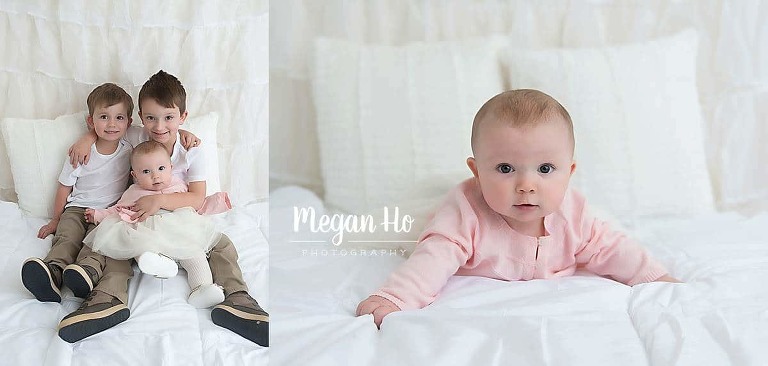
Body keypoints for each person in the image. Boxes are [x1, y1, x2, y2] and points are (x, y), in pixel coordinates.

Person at [356, 89, 681, 328]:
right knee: (409, 230)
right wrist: (394, 299)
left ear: (569, 172)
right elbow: (432, 260)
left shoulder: (575, 216)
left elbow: (614, 249)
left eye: (545, 169)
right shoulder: (466, 212)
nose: (527, 185)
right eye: (506, 169)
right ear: (477, 171)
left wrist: (657, 279)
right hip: (450, 239)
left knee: (606, 231)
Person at [60, 70, 269, 347]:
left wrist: (159, 200)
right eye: (151, 118)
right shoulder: (137, 136)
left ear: (182, 117)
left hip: (178, 215)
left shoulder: (191, 149)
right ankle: (106, 300)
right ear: (141, 118)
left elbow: (197, 198)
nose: (159, 127)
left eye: (169, 118)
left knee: (221, 245)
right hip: (139, 216)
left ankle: (238, 299)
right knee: (110, 241)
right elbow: (107, 132)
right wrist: (87, 138)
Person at [83, 140, 230, 308]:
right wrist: (98, 214)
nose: (156, 176)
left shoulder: (179, 186)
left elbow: (197, 205)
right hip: (149, 234)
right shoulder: (133, 192)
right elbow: (118, 211)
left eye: (161, 169)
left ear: (171, 168)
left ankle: (202, 289)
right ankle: (159, 265)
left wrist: (218, 201)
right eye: (146, 171)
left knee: (196, 255)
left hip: (180, 232)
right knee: (136, 243)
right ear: (135, 176)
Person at [21, 83, 133, 303]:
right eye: (103, 117)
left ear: (129, 122)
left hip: (107, 213)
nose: (112, 124)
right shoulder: (81, 152)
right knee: (67, 237)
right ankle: (53, 272)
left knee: (98, 241)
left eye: (119, 118)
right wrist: (56, 218)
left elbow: (160, 135)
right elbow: (64, 185)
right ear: (91, 122)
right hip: (76, 208)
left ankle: (84, 273)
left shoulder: (130, 147)